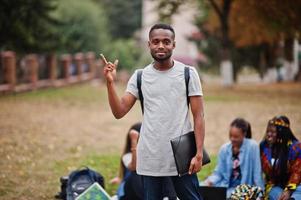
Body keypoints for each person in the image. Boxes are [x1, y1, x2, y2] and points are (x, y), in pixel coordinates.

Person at [102, 23, 205, 200]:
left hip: (182, 156)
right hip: (150, 156)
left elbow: (199, 116)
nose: (161, 46)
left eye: (166, 41)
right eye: (155, 41)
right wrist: (110, 83)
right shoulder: (140, 76)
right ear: (149, 44)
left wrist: (199, 153)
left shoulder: (188, 73)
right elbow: (119, 111)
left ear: (174, 44)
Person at [110, 122, 177, 200]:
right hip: (132, 190)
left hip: (150, 186)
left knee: (163, 168)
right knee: (136, 171)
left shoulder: (150, 153)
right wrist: (134, 142)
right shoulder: (127, 155)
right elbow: (134, 167)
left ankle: (169, 197)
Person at [203, 118, 264, 198]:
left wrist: (260, 192)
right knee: (200, 188)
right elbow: (219, 172)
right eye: (230, 136)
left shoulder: (253, 147)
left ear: (244, 134)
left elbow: (257, 173)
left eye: (236, 137)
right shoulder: (224, 149)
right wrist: (209, 182)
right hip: (226, 187)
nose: (232, 139)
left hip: (245, 189)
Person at [260, 116, 301, 200]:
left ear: (282, 133)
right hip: (276, 186)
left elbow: (297, 172)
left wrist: (288, 190)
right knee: (276, 194)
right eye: (268, 131)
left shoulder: (295, 148)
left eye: (273, 132)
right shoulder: (264, 147)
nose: (269, 134)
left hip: (296, 185)